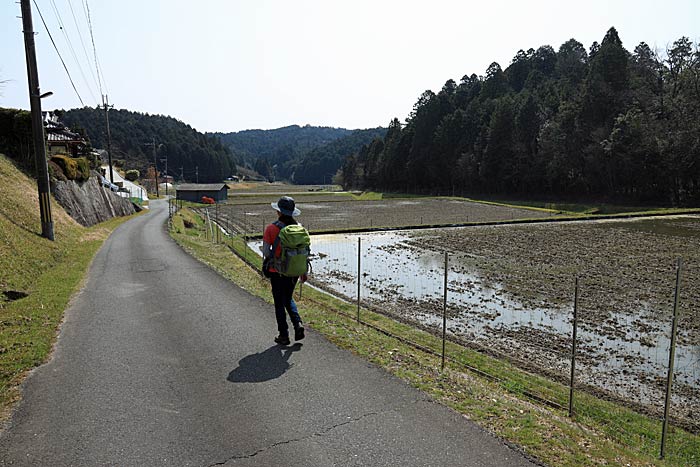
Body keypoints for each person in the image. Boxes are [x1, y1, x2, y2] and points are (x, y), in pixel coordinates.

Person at [263, 196, 306, 346]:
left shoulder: (271, 228)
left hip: (277, 271)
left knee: (279, 303)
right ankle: (298, 324)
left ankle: (284, 335)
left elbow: (267, 253)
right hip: (294, 270)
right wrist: (303, 272)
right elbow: (303, 252)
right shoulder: (300, 229)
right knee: (288, 298)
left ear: (279, 212)